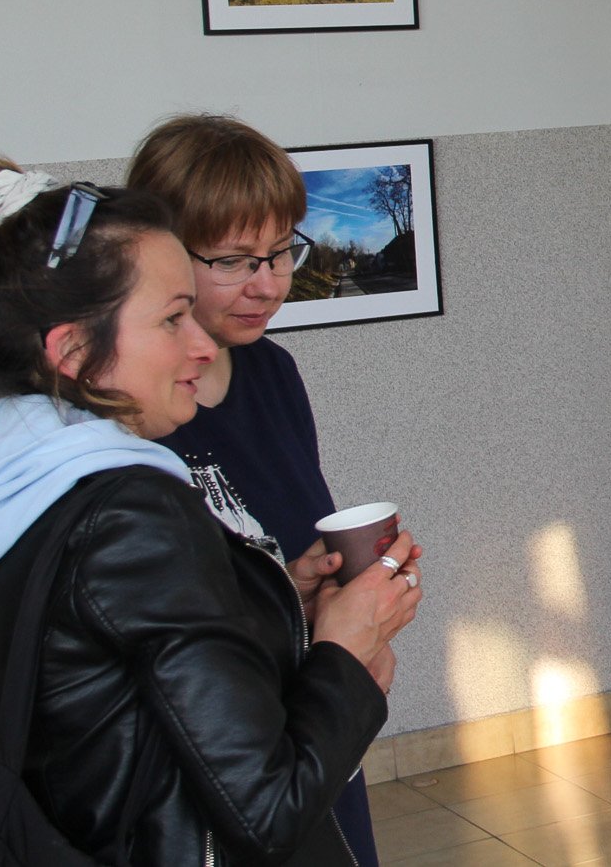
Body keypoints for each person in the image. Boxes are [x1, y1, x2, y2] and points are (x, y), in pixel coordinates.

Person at [0, 159, 422, 864]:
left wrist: (271, 605)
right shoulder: (131, 513)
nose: (201, 345)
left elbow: (111, 682)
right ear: (73, 350)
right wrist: (346, 658)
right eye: (173, 318)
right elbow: (267, 811)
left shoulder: (5, 482)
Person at [126, 113, 406, 867]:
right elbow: (153, 655)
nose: (270, 283)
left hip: (310, 733)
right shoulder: (127, 420)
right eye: (234, 261)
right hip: (215, 787)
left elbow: (274, 553)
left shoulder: (272, 372)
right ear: (160, 255)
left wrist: (326, 598)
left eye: (282, 252)